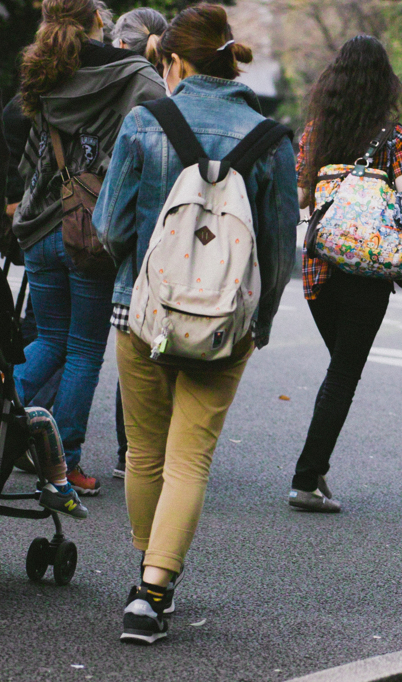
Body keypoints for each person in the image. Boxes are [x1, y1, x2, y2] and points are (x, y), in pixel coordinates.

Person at [93, 3, 298, 643]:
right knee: (190, 459)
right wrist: (258, 323)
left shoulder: (143, 123)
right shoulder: (270, 140)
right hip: (225, 327)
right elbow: (279, 247)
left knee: (147, 453)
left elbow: (109, 227)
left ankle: (146, 581)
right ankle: (154, 591)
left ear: (174, 61)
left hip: (140, 315)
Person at [9, 0, 165, 497]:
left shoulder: (43, 66)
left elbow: (27, 154)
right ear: (98, 21)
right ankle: (64, 463)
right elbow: (161, 132)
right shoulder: (131, 73)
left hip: (38, 225)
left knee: (48, 340)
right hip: (91, 229)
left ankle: (8, 411)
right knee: (81, 350)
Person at [290, 34, 402, 513]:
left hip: (319, 268)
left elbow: (301, 197)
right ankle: (305, 478)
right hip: (368, 271)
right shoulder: (395, 137)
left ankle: (315, 467)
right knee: (344, 372)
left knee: (339, 368)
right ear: (384, 82)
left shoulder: (314, 133)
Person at [108, 6, 168, 480]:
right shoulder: (157, 95)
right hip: (160, 251)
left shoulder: (83, 73)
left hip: (64, 215)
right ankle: (135, 447)